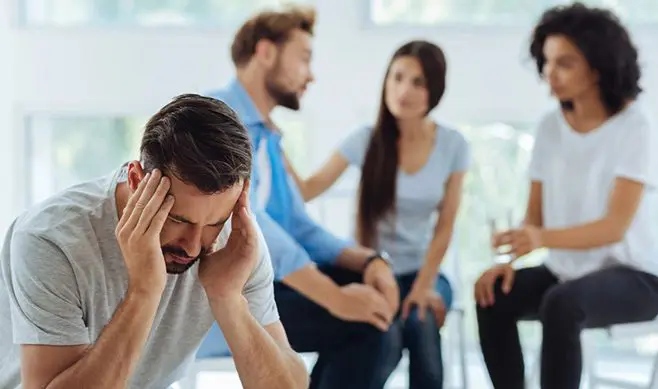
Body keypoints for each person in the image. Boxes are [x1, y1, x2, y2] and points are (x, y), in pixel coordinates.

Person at [0, 94, 308, 389]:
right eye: (178, 220)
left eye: (214, 223)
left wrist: (228, 298)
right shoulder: (51, 240)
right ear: (136, 181)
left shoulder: (234, 241)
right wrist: (143, 292)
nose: (192, 245)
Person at [204, 5, 400, 389]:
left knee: (374, 308)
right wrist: (332, 296)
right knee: (369, 327)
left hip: (267, 285)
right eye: (304, 58)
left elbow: (299, 226)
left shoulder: (267, 140)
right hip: (225, 296)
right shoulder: (216, 118)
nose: (310, 75)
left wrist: (369, 261)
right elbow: (248, 220)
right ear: (266, 52)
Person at [474, 3, 658, 389]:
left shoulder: (634, 127)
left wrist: (541, 239)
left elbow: (614, 227)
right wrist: (510, 258)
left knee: (561, 302)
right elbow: (534, 221)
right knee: (492, 294)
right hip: (566, 272)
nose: (548, 74)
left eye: (564, 63)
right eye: (546, 62)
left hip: (636, 277)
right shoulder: (549, 129)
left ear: (597, 66)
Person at [286, 40, 469, 389]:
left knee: (420, 319)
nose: (404, 91)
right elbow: (308, 189)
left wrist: (424, 286)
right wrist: (273, 145)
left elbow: (445, 226)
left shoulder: (453, 145)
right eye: (397, 78)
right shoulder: (366, 140)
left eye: (418, 82)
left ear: (436, 90)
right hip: (374, 271)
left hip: (424, 271)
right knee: (380, 332)